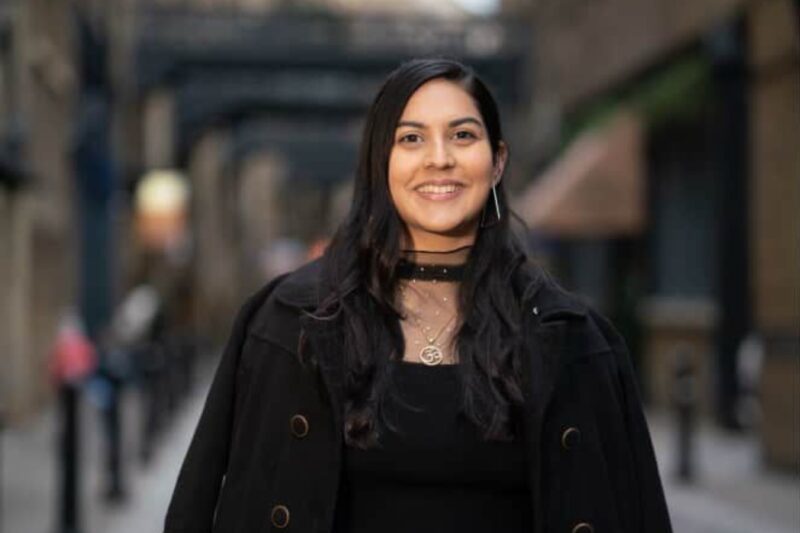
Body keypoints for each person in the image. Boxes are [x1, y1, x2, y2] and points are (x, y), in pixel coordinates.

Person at [164, 58, 672, 533]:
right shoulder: (283, 324)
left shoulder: (578, 342)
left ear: (497, 162)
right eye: (411, 138)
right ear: (379, 163)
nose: (439, 159)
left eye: (463, 135)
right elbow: (199, 507)